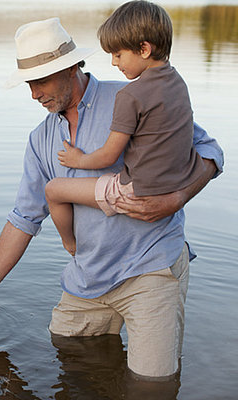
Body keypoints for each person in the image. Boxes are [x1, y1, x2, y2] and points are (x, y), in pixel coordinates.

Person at [0, 14, 224, 380]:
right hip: (87, 279)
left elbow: (210, 151)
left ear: (71, 68)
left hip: (150, 268)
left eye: (40, 81)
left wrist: (177, 197)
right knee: (71, 362)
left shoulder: (133, 97)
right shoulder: (40, 141)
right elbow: (24, 218)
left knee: (153, 385)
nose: (34, 94)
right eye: (28, 84)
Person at [44, 1, 205, 257]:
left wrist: (79, 159)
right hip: (175, 182)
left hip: (136, 191)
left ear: (143, 49)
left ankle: (71, 247)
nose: (114, 63)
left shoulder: (130, 95)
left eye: (118, 54)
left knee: (53, 190)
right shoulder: (178, 83)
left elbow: (108, 155)